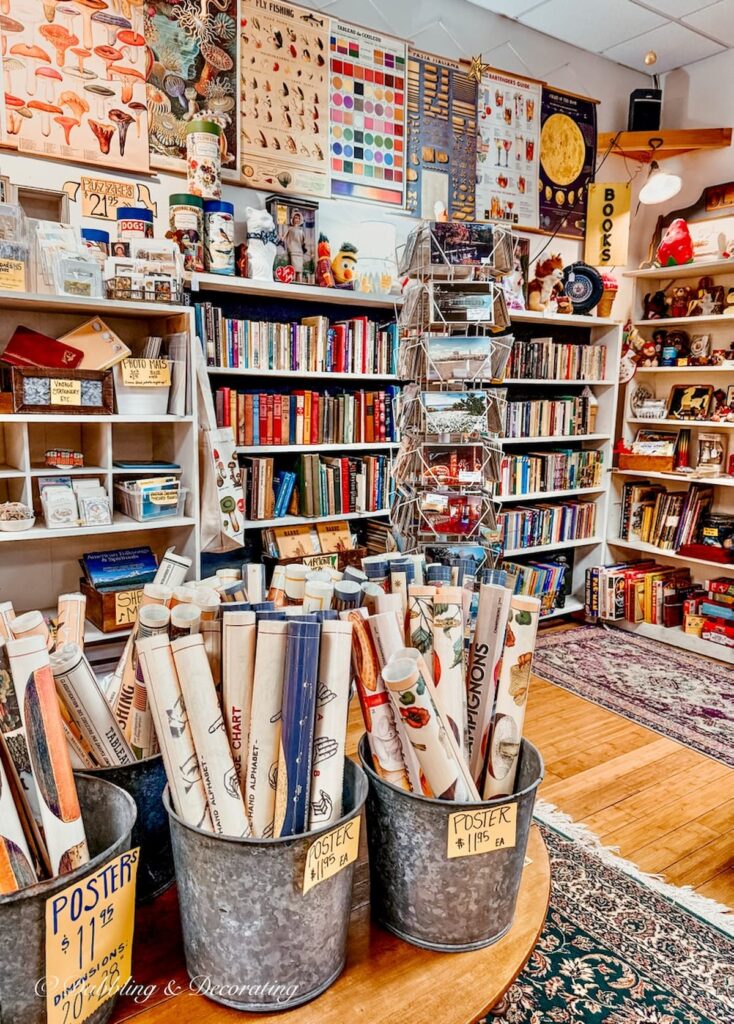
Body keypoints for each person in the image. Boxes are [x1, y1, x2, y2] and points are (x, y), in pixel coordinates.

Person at [282, 210, 309, 283]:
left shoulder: (301, 231)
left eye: (298, 218)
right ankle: (293, 283)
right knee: (293, 269)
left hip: (300, 252)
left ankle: (299, 283)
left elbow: (304, 242)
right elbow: (283, 238)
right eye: (295, 218)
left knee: (299, 270)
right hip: (293, 251)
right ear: (293, 219)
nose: (297, 219)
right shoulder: (290, 229)